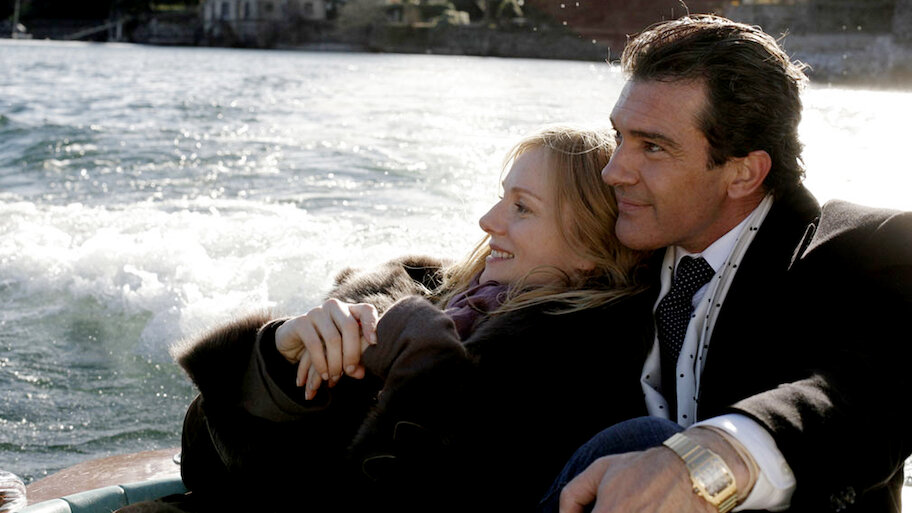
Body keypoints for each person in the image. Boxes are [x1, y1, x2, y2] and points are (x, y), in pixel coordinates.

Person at [152, 125, 656, 513]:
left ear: (590, 250)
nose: (488, 221)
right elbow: (203, 464)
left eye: (522, 207)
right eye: (502, 196)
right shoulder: (411, 293)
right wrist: (278, 360)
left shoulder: (578, 371)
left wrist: (424, 368)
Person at [538, 14, 912, 513]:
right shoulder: (616, 236)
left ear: (743, 174)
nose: (613, 171)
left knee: (644, 438)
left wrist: (710, 461)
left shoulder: (863, 249)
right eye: (619, 137)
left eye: (653, 147)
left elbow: (873, 391)